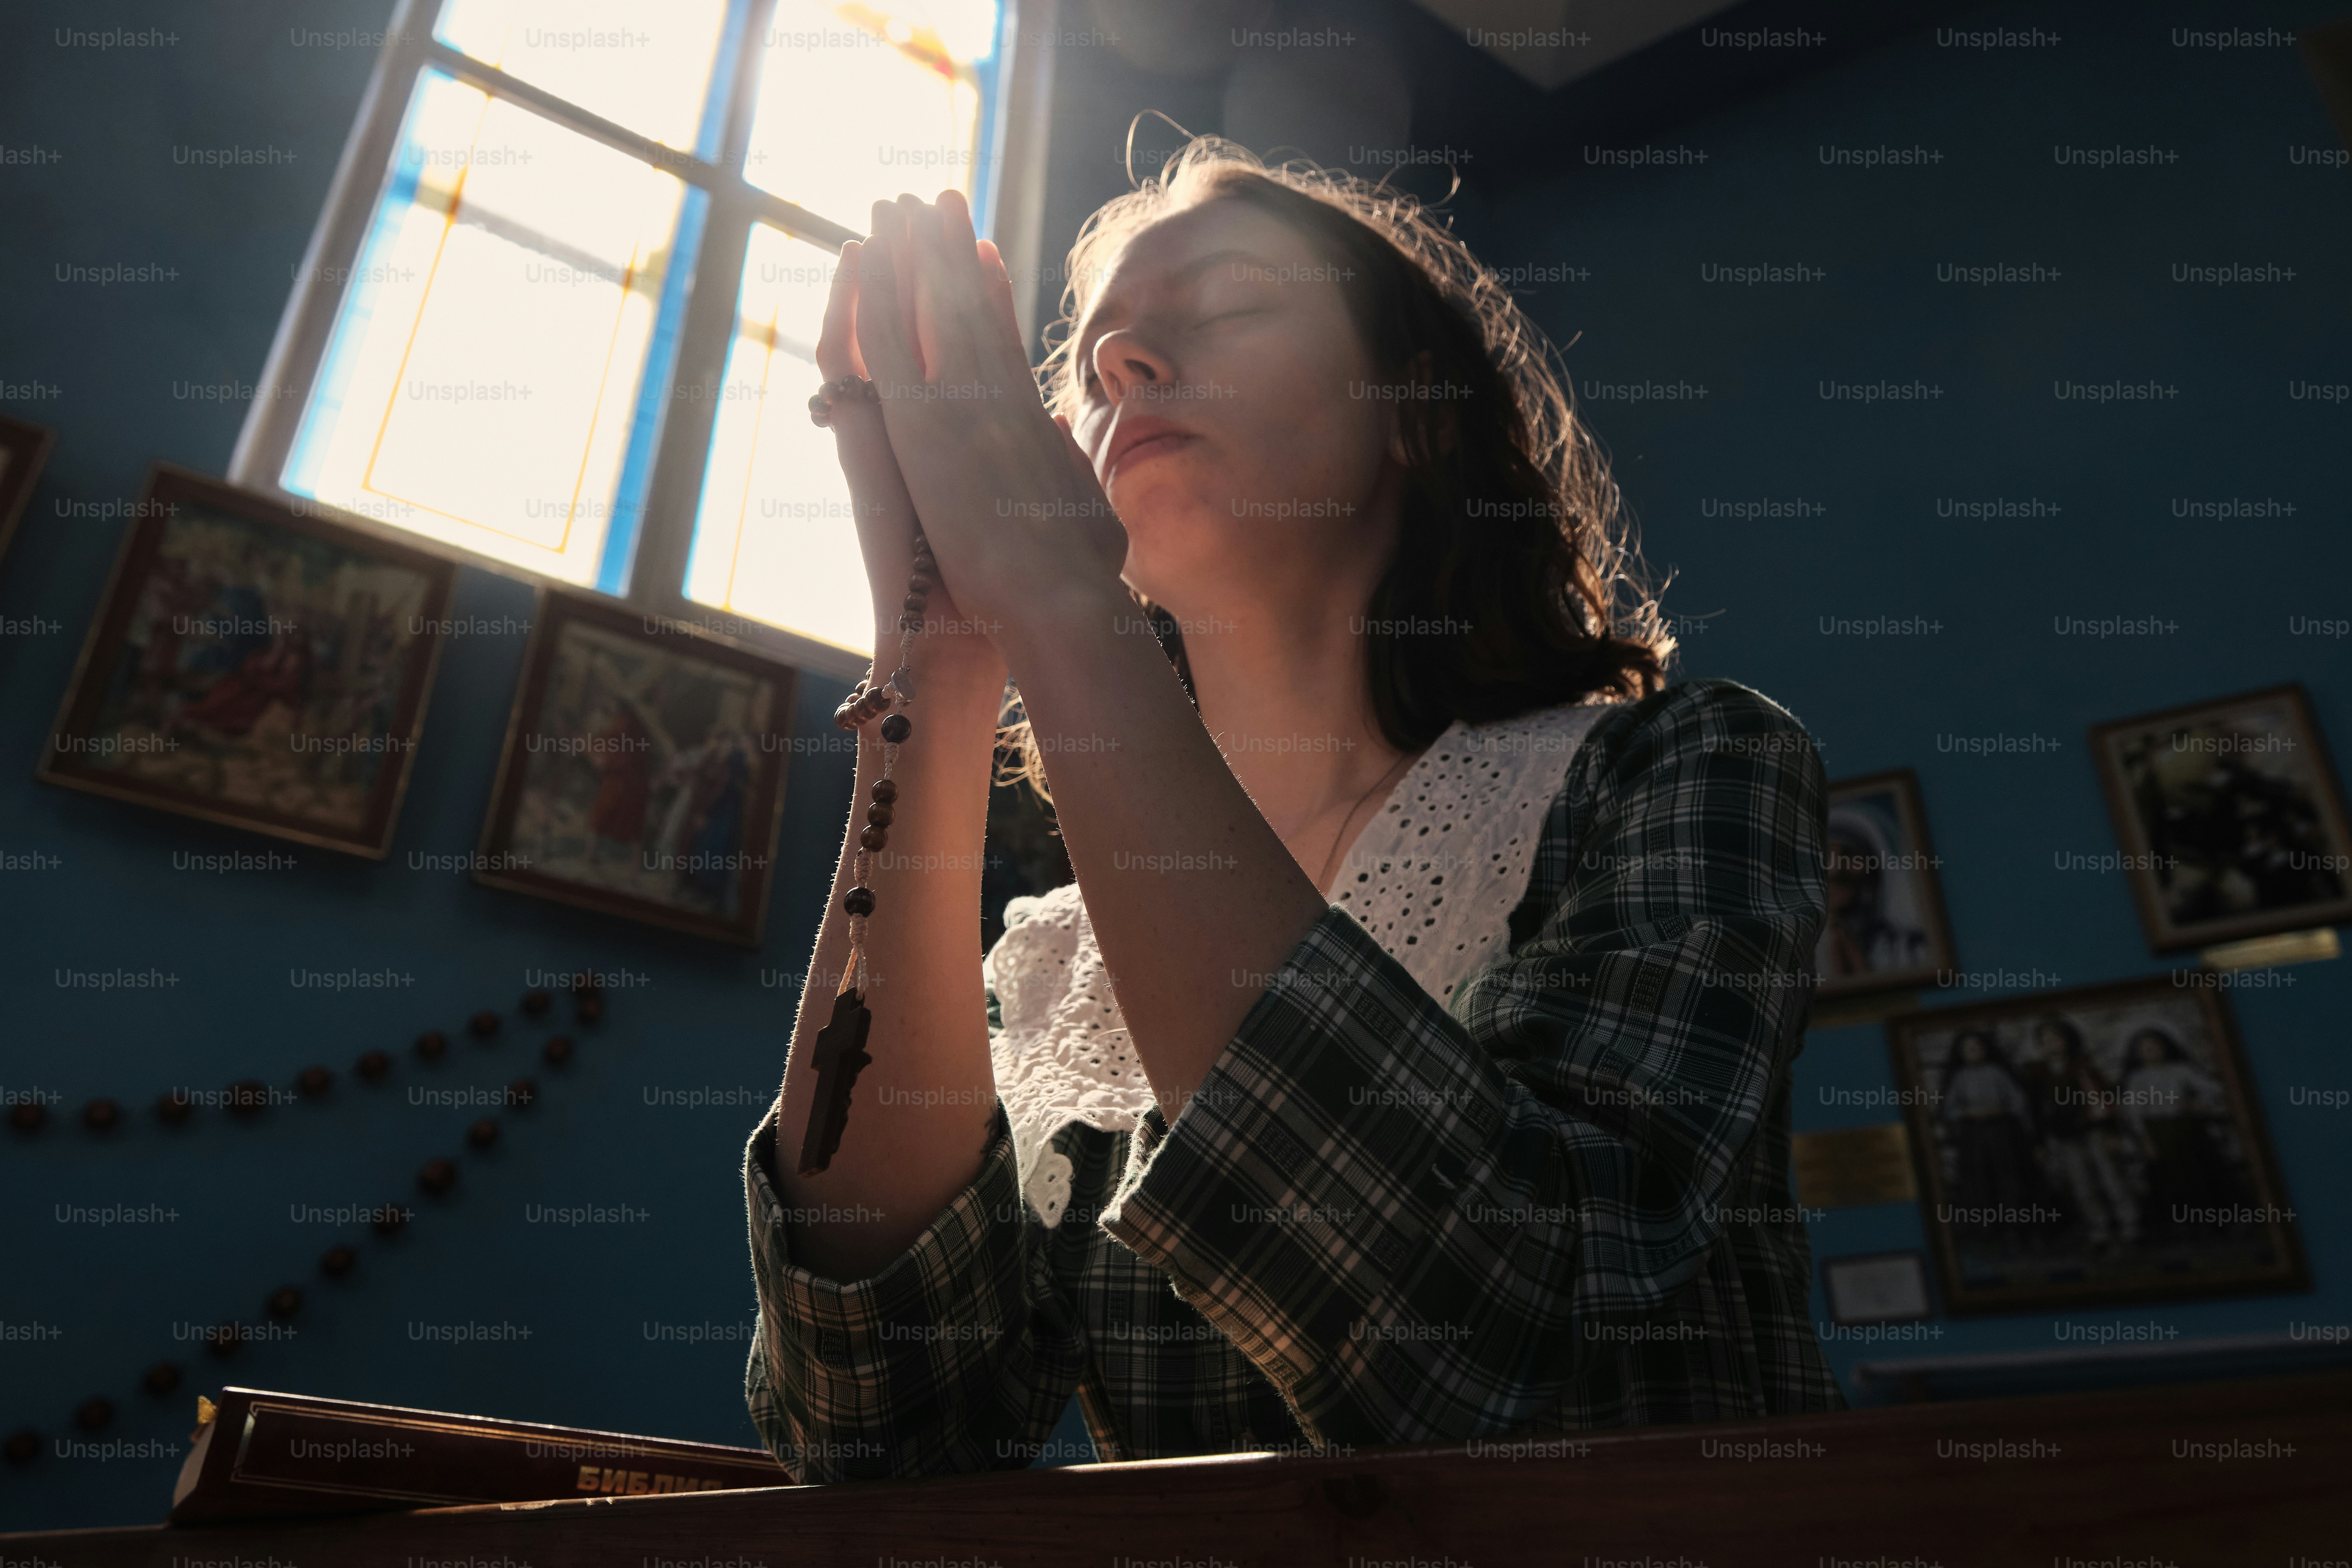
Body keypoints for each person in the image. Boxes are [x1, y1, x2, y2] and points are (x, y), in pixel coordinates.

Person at [742, 138, 1839, 1481]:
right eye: (1095, 364)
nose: (1126, 368)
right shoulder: (1053, 964)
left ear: (1415, 409)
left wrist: (1063, 607)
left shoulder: (1670, 774)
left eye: (1225, 311)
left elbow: (1497, 1338)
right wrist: (939, 649)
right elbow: (874, 1438)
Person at [2024, 1017, 2137, 1254]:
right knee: (2082, 1186)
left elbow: (2103, 1100)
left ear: (2067, 1041)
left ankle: (2131, 1228)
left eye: (2056, 1040)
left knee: (2112, 1179)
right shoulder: (2037, 1075)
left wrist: (2111, 1131)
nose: (2050, 1046)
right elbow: (2035, 1111)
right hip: (2065, 1138)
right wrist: (2040, 1142)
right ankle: (2100, 1232)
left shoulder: (2083, 1068)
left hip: (2094, 1132)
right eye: (2044, 1042)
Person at [1935, 1030, 2042, 1255]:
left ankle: (2019, 1229)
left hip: (2003, 1134)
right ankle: (1992, 1232)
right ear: (1961, 1054)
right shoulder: (1959, 1078)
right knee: (1982, 1182)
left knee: (2011, 1180)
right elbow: (1950, 1110)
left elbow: (2018, 1102)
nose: (1973, 1053)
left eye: (1977, 1048)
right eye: (1968, 1049)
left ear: (1986, 1050)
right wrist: (1969, 1114)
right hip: (1974, 1138)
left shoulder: (1998, 1073)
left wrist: (2002, 1112)